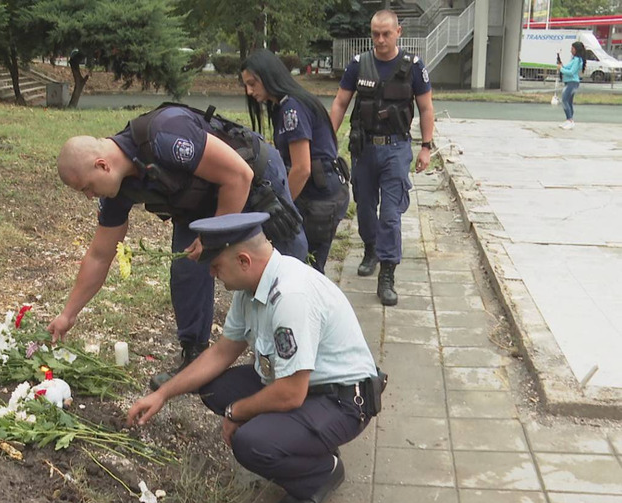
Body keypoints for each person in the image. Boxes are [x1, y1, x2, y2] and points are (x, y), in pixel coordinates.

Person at [126, 212, 382, 503]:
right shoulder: (253, 287)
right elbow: (222, 352)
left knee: (251, 444)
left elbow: (290, 394)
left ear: (244, 261)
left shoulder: (290, 296)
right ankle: (301, 441)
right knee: (213, 389)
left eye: (216, 266)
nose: (212, 275)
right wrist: (163, 394)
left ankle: (322, 472)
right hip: (305, 387)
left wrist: (237, 412)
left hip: (341, 401)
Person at [50, 105, 309, 390]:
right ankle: (195, 356)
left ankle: (299, 363)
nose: (89, 196)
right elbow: (100, 255)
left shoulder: (165, 135)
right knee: (187, 267)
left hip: (255, 178)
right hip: (199, 199)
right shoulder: (116, 189)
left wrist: (213, 239)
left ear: (102, 165)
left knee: (282, 269)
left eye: (87, 187)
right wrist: (67, 314)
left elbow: (239, 177)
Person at [329, 9, 435, 306]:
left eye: (386, 33)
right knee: (363, 206)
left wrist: (426, 146)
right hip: (364, 150)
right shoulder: (358, 64)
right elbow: (340, 103)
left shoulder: (413, 66)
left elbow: (426, 108)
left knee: (390, 214)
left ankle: (387, 272)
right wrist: (327, 140)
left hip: (396, 149)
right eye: (375, 33)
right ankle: (370, 248)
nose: (380, 39)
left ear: (398, 32)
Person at [241, 49, 350, 274]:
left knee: (306, 274)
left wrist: (280, 207)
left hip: (319, 199)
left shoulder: (292, 108)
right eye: (246, 85)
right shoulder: (285, 104)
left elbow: (301, 169)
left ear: (269, 76)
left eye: (253, 83)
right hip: (321, 193)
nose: (249, 91)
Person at [558, 41, 586, 130]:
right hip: (569, 82)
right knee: (568, 101)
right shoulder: (574, 59)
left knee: (565, 100)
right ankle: (568, 119)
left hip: (572, 83)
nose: (571, 50)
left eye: (572, 48)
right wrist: (562, 66)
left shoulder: (577, 60)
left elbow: (571, 72)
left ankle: (570, 120)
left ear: (576, 49)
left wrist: (561, 69)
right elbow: (568, 68)